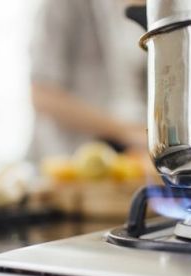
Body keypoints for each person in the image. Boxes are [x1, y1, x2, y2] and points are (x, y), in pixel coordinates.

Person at [28, 0, 148, 162]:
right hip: (67, 158)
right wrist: (127, 132)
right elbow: (43, 95)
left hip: (126, 157)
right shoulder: (62, 6)